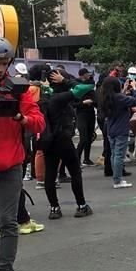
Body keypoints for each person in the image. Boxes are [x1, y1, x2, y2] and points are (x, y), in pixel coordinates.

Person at [0, 38, 46, 271]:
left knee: (7, 223)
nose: (0, 68)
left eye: (4, 63)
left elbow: (39, 122)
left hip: (10, 164)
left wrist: (22, 118)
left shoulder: (19, 89)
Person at [31, 65, 94, 219]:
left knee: (50, 175)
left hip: (47, 140)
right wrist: (65, 80)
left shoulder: (41, 98)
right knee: (75, 171)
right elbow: (85, 87)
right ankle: (81, 205)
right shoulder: (60, 98)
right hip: (63, 139)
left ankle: (54, 208)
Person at [99, 76, 136, 189]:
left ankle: (116, 178)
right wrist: (134, 88)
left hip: (110, 129)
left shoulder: (105, 98)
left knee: (114, 154)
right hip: (121, 129)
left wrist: (124, 90)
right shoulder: (119, 98)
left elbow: (120, 98)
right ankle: (117, 180)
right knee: (119, 156)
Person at [74, 68, 97, 166]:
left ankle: (86, 159)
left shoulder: (90, 86)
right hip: (81, 114)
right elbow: (73, 103)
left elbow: (95, 99)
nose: (89, 76)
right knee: (83, 138)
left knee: (89, 137)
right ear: (83, 75)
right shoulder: (76, 85)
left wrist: (93, 101)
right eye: (87, 74)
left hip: (90, 113)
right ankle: (76, 159)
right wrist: (83, 103)